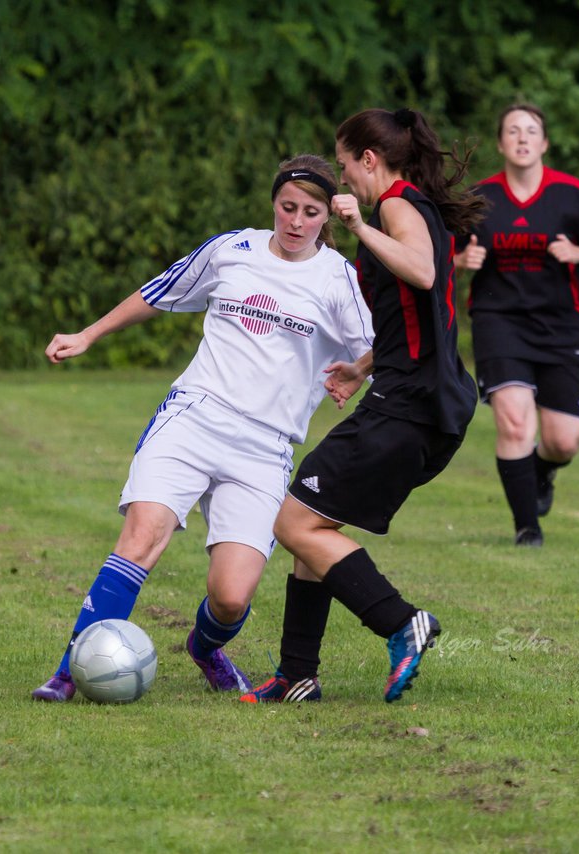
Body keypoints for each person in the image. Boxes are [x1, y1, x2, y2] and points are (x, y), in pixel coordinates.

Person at [32, 154, 377, 702]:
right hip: (195, 416)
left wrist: (356, 374)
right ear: (273, 204)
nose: (295, 221)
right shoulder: (231, 250)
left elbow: (380, 346)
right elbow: (159, 291)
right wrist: (89, 334)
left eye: (310, 212)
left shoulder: (338, 278)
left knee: (232, 598)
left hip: (266, 447)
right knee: (143, 535)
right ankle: (69, 671)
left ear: (325, 218)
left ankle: (206, 646)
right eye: (287, 207)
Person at [241, 108, 485, 705]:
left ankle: (401, 623)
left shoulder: (397, 205)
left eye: (346, 166)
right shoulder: (409, 209)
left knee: (293, 523)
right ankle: (297, 672)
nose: (344, 180)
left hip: (406, 408)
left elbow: (425, 273)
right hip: (420, 402)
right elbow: (415, 316)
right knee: (314, 520)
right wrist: (361, 364)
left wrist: (360, 228)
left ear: (368, 160)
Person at [453, 104, 579, 547]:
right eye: (512, 131)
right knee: (514, 424)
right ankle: (528, 528)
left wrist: (578, 254)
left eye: (531, 131)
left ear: (544, 143)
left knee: (563, 441)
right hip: (500, 322)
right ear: (501, 143)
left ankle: (542, 471)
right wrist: (460, 260)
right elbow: (438, 258)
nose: (522, 138)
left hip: (564, 327)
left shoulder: (572, 194)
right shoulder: (480, 198)